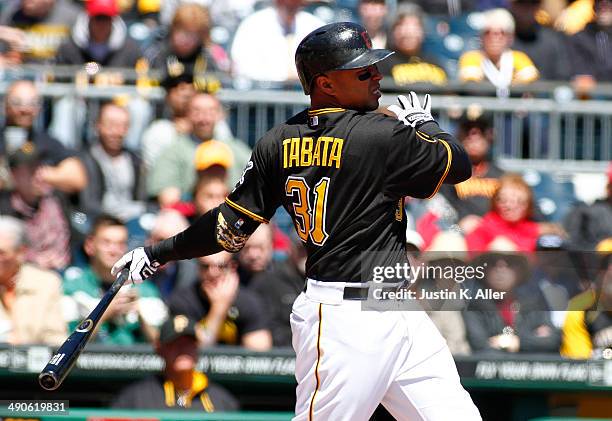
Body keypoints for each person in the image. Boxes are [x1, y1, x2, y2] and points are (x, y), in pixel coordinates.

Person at [113, 22, 480, 420]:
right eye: (363, 71)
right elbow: (458, 164)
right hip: (344, 319)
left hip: (394, 309)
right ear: (325, 83)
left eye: (375, 68)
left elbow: (228, 226)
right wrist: (425, 124)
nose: (377, 76)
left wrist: (158, 251)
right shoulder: (381, 134)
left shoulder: (279, 140)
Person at [63, 215, 167, 345]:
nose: (113, 250)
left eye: (120, 244)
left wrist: (140, 314)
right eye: (106, 243)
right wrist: (105, 312)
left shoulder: (145, 291)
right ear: (90, 245)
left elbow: (161, 344)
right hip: (89, 363)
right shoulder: (73, 288)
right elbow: (67, 343)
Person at [112, 314, 239, 411]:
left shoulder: (221, 400)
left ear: (197, 348)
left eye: (188, 343)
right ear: (160, 349)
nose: (183, 349)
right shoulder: (135, 398)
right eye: (175, 343)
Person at [147, 93, 250, 206]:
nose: (204, 118)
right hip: (190, 216)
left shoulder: (237, 150)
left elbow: (260, 184)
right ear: (187, 115)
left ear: (220, 115)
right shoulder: (173, 152)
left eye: (211, 111)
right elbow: (168, 199)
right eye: (197, 111)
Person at [167, 251, 272, 350]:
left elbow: (260, 354)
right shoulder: (182, 300)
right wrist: (219, 306)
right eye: (205, 266)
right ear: (198, 268)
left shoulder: (250, 302)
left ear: (233, 267)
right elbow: (196, 351)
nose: (212, 273)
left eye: (221, 266)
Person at [463, 251, 561, 354]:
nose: (500, 269)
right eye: (492, 262)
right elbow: (480, 345)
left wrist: (516, 342)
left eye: (509, 262)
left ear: (520, 270)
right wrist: (533, 340)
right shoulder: (474, 307)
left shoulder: (534, 303)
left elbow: (552, 340)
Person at [0, 80, 87, 194]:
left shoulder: (47, 142)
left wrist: (39, 174)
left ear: (40, 108)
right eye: (17, 102)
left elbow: (77, 178)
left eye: (33, 103)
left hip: (33, 210)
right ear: (4, 105)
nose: (25, 109)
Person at [0, 143, 72, 272]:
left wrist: (61, 258)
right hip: (20, 273)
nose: (39, 174)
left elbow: (72, 238)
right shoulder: (4, 206)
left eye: (41, 167)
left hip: (63, 269)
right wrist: (33, 259)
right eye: (31, 170)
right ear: (14, 174)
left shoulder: (56, 199)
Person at [0, 215, 66, 345]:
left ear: (20, 252)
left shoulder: (46, 283)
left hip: (35, 361)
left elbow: (55, 337)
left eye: (1, 253)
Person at [79, 102, 147, 222]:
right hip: (96, 222)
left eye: (123, 126)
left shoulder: (136, 161)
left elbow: (141, 200)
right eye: (111, 125)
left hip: (131, 222)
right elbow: (88, 204)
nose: (116, 132)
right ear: (98, 125)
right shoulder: (85, 159)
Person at [230, 0, 324, 83]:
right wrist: (283, 77)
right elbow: (242, 66)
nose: (292, 4)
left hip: (305, 94)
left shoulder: (313, 23)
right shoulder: (254, 23)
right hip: (263, 94)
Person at [458, 8, 539, 97]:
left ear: (510, 37)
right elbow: (470, 79)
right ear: (481, 36)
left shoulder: (518, 58)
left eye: (501, 32)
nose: (494, 37)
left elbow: (528, 75)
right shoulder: (472, 58)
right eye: (488, 32)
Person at [250, 233, 307, 347]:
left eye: (311, 250)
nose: (306, 254)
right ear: (291, 248)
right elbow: (270, 327)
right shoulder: (270, 280)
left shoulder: (323, 281)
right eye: (302, 249)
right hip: (283, 353)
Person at [56, 0, 142, 67]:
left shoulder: (129, 50)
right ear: (89, 19)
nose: (102, 24)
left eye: (106, 18)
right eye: (98, 18)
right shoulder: (69, 49)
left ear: (113, 20)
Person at [378, 4, 448, 86]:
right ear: (392, 32)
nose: (408, 33)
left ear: (423, 32)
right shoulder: (382, 65)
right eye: (402, 26)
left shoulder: (435, 64)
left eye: (413, 27)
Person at [510, 0, 572, 81]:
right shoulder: (500, 38)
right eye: (521, 3)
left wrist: (535, 80)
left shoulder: (553, 40)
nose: (527, 8)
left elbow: (563, 77)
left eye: (533, 3)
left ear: (539, 6)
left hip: (546, 92)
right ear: (512, 5)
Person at [0, 0, 79, 63]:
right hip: (21, 76)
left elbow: (89, 58)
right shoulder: (11, 14)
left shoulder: (73, 16)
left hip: (63, 77)